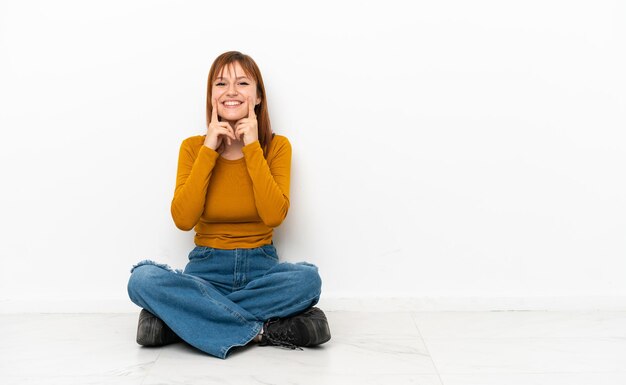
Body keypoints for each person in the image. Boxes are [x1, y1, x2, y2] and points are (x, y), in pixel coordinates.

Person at [126, 51, 331, 359]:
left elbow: (274, 215)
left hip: (261, 271)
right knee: (141, 280)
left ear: (258, 97)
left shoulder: (276, 147)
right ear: (211, 96)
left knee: (307, 280)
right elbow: (183, 219)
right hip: (206, 273)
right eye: (221, 83)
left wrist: (251, 147)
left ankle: (182, 320)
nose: (231, 91)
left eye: (243, 83)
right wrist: (210, 148)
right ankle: (262, 332)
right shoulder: (193, 148)